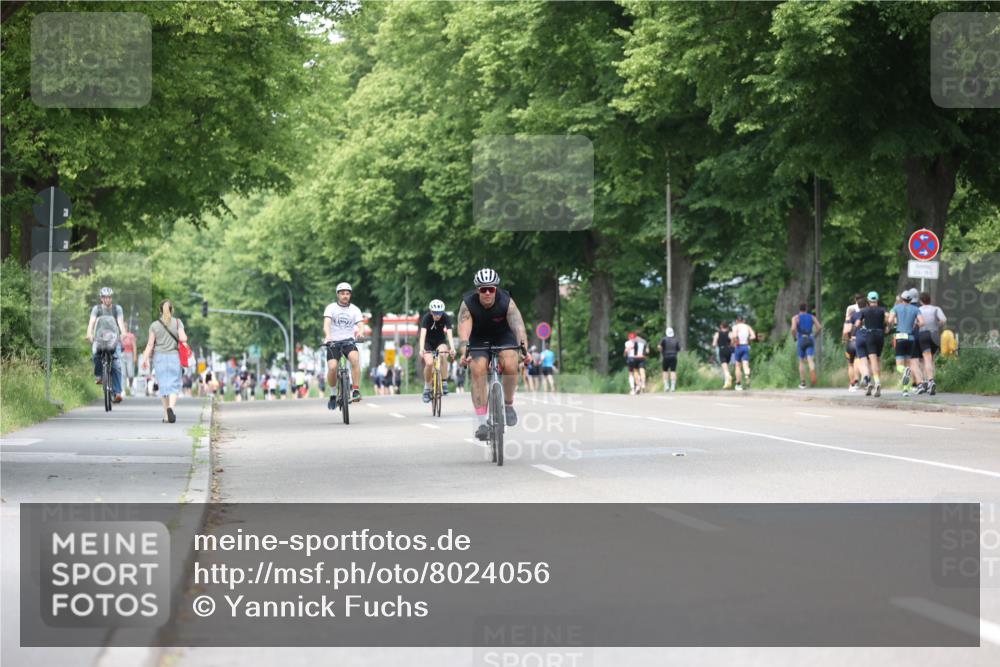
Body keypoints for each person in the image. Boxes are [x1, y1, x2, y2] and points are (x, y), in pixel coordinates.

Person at [457, 268, 529, 441]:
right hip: (478, 338)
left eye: (491, 289)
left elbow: (518, 327)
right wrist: (464, 353)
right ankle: (482, 422)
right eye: (483, 289)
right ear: (477, 290)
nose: (488, 293)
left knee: (511, 363)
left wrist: (525, 351)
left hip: (503, 335)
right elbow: (464, 334)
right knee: (478, 369)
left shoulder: (507, 301)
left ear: (496, 289)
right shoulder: (468, 304)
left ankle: (508, 404)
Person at [140, 299, 187, 423]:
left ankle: (166, 415)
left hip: (159, 358)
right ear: (172, 310)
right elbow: (183, 338)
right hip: (174, 357)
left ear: (160, 311)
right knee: (174, 385)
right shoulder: (178, 322)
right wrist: (181, 335)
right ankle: (171, 408)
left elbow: (150, 344)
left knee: (163, 386)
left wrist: (144, 359)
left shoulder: (154, 325)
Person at [323, 282, 364, 409]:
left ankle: (355, 390)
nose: (345, 296)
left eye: (347, 293)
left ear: (350, 295)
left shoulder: (355, 309)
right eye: (342, 293)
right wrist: (328, 336)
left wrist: (360, 333)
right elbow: (327, 323)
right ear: (338, 295)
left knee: (355, 359)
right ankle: (333, 394)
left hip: (348, 342)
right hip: (333, 342)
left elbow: (360, 325)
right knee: (332, 367)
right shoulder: (331, 308)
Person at [86, 287, 127, 403]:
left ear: (111, 298)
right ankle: (99, 375)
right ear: (101, 298)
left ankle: (117, 393)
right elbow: (91, 323)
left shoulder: (117, 309)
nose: (107, 299)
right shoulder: (97, 309)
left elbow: (120, 322)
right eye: (105, 297)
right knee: (95, 354)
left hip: (114, 338)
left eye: (109, 297)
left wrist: (123, 333)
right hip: (99, 338)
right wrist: (89, 334)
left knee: (117, 364)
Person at [888, 288, 925, 397]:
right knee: (910, 364)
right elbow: (922, 322)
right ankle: (905, 390)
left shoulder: (896, 307)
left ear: (902, 299)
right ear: (911, 299)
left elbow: (890, 320)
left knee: (900, 366)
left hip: (900, 337)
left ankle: (904, 373)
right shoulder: (916, 309)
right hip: (911, 338)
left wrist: (892, 324)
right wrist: (916, 325)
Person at [419, 299, 455, 402]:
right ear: (431, 312)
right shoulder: (426, 318)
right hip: (428, 343)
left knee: (443, 354)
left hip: (440, 341)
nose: (438, 315)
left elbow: (449, 334)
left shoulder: (445, 317)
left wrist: (452, 348)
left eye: (440, 313)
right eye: (435, 313)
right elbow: (422, 335)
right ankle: (427, 388)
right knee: (429, 363)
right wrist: (421, 349)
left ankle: (444, 382)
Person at [856, 291, 888, 397]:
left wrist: (859, 325)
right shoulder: (883, 309)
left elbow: (857, 323)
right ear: (877, 300)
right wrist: (887, 326)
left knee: (872, 360)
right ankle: (877, 381)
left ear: (868, 301)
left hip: (870, 335)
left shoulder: (864, 310)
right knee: (877, 360)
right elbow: (888, 319)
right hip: (880, 334)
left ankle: (876, 382)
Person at [915, 292, 947, 395]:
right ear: (930, 300)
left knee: (926, 359)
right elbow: (943, 320)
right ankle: (929, 381)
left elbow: (915, 323)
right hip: (934, 334)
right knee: (931, 359)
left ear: (921, 301)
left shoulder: (918, 310)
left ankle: (930, 381)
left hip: (923, 334)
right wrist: (937, 325)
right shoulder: (936, 309)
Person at [791, 303, 823, 388]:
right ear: (806, 309)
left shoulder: (795, 318)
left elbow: (793, 329)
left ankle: (803, 383)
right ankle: (812, 370)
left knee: (801, 361)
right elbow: (819, 327)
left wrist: (794, 337)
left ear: (799, 309)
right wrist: (815, 336)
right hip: (810, 338)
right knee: (810, 359)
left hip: (801, 339)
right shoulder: (812, 317)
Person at [842, 294, 865, 392]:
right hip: (862, 340)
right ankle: (864, 379)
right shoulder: (867, 313)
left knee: (850, 363)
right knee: (861, 361)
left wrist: (846, 339)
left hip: (852, 341)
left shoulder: (851, 313)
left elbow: (846, 331)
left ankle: (852, 384)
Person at [731, 315, 756, 390]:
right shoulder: (747, 327)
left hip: (738, 346)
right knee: (745, 364)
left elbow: (734, 336)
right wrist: (748, 339)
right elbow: (753, 336)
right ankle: (747, 375)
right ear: (743, 321)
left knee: (738, 366)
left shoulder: (735, 327)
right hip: (746, 346)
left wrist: (734, 341)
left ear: (736, 321)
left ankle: (738, 384)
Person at [711, 321, 734, 389]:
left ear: (721, 326)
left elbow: (714, 344)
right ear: (727, 326)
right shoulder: (730, 333)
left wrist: (714, 347)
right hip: (729, 350)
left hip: (722, 350)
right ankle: (726, 383)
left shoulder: (717, 333)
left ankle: (728, 377)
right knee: (727, 365)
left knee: (724, 366)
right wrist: (731, 345)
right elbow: (733, 341)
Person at [659, 327, 681, 392]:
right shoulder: (676, 340)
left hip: (666, 356)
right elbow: (678, 349)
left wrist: (661, 351)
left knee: (665, 371)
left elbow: (659, 346)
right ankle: (673, 387)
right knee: (673, 371)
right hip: (674, 356)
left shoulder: (663, 339)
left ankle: (666, 386)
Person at [120, 328, 137, 396]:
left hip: (130, 354)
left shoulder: (131, 335)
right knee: (123, 374)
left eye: (125, 326)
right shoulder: (120, 336)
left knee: (131, 374)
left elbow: (134, 346)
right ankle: (123, 389)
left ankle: (131, 386)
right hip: (122, 355)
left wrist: (135, 356)